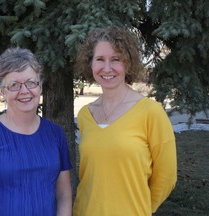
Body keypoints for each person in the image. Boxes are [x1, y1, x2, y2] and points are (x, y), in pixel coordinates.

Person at [73, 26, 177, 216]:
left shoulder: (151, 112)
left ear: (128, 63)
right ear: (90, 64)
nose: (107, 68)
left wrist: (142, 209)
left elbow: (167, 176)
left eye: (115, 59)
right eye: (99, 60)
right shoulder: (85, 114)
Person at [0, 47, 72, 216]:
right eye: (14, 85)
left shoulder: (55, 134)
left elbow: (64, 195)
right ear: (2, 92)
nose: (24, 91)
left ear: (40, 86)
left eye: (31, 82)